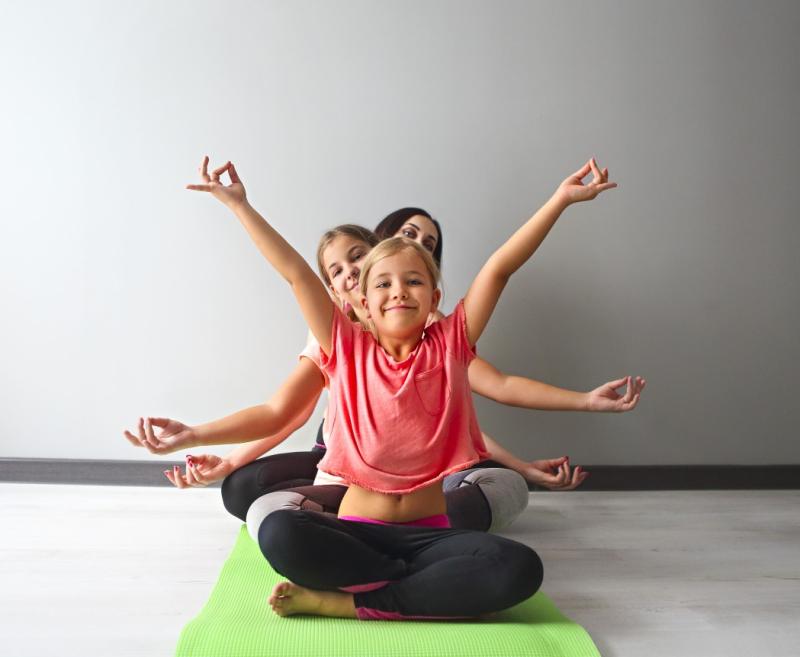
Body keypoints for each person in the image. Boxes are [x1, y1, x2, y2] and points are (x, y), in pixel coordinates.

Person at [135, 155, 622, 620]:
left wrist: (559, 200)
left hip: (431, 534)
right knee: (281, 532)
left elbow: (499, 268)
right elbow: (295, 275)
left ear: (433, 297)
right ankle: (423, 594)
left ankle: (352, 600)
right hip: (357, 534)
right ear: (362, 302)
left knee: (521, 568)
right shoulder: (344, 348)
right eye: (383, 284)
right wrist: (239, 204)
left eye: (413, 281)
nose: (398, 291)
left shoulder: (449, 345)